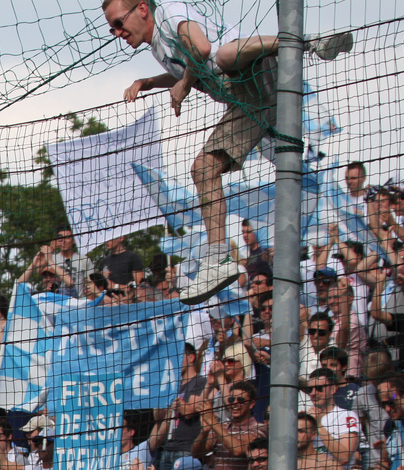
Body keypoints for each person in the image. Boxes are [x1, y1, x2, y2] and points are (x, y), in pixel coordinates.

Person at [105, 0, 353, 304]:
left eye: (119, 22)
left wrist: (184, 85)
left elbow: (203, 49)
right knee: (203, 170)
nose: (117, 32)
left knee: (223, 54)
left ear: (142, 9)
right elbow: (185, 68)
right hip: (249, 102)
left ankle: (310, 43)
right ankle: (218, 261)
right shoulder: (157, 45)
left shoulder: (169, 14)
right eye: (112, 27)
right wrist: (150, 82)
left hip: (257, 72)